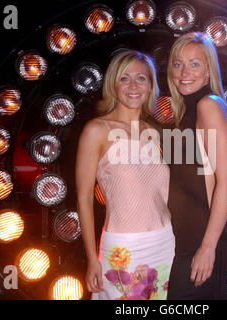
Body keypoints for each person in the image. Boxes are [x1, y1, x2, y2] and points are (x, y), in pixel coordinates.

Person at [75, 50, 175, 300]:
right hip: (123, 249)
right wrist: (92, 259)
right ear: (113, 84)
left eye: (141, 78)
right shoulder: (96, 130)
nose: (133, 86)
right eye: (124, 78)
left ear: (150, 85)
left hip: (165, 243)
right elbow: (84, 199)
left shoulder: (153, 132)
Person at [166, 32, 227, 300]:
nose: (184, 72)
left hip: (200, 237)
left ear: (208, 71)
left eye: (195, 64)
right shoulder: (184, 110)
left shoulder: (208, 105)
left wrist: (208, 247)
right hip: (180, 236)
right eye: (178, 64)